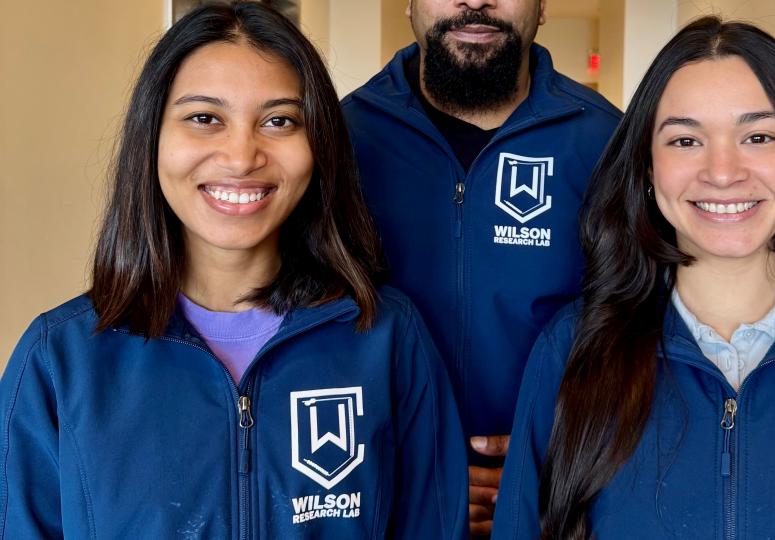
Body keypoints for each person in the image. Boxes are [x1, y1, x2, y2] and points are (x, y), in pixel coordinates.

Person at [0, 3, 467, 538]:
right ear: (151, 135)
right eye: (204, 118)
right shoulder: (60, 361)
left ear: (319, 146)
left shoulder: (387, 338)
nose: (242, 155)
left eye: (279, 120)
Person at [492, 16, 775, 540]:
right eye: (685, 141)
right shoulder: (573, 349)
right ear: (648, 169)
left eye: (758, 135)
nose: (722, 171)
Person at [341, 1, 621, 533]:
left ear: (542, 7)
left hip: (556, 506)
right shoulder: (339, 140)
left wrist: (557, 454)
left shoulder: (608, 143)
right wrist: (422, 468)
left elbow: (641, 327)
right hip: (385, 500)